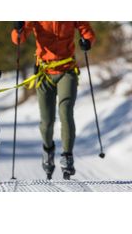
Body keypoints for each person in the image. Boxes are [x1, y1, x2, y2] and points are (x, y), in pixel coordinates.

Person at [11, 21, 96, 180]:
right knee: (47, 121)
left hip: (67, 70)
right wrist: (18, 28)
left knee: (66, 112)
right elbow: (18, 39)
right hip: (44, 73)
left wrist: (87, 41)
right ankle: (48, 150)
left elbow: (88, 32)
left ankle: (67, 156)